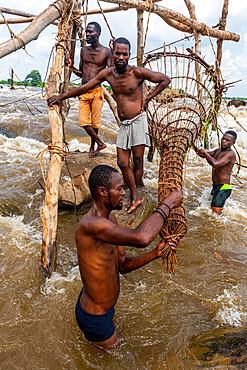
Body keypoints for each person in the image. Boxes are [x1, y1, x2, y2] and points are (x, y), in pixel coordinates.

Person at [48, 37, 171, 213]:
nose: (121, 57)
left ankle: (136, 193)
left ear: (129, 55)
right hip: (124, 124)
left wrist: (147, 100)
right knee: (122, 162)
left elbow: (165, 80)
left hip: (137, 121)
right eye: (118, 53)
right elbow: (85, 87)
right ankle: (135, 193)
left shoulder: (137, 73)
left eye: (125, 54)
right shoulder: (108, 73)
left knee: (137, 161)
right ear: (112, 54)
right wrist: (62, 96)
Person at [75, 164, 183, 349]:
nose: (124, 193)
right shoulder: (91, 225)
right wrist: (167, 205)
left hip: (105, 310)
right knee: (115, 357)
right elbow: (142, 237)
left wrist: (155, 253)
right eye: (119, 188)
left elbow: (122, 265)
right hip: (95, 317)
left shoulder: (111, 221)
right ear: (102, 192)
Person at [66, 21, 112, 157]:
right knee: (83, 121)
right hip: (83, 92)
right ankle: (100, 143)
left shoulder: (106, 52)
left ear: (98, 33)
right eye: (86, 31)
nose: (87, 34)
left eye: (90, 32)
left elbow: (111, 71)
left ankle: (93, 147)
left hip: (97, 91)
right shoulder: (84, 50)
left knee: (95, 123)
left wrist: (114, 51)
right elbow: (81, 72)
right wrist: (71, 67)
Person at [192, 130, 237, 214]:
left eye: (227, 140)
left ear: (233, 143)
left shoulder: (230, 154)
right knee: (212, 215)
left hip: (224, 188)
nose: (224, 141)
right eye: (223, 138)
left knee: (216, 216)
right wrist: (192, 144)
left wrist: (205, 153)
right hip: (216, 187)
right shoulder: (218, 150)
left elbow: (215, 164)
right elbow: (202, 154)